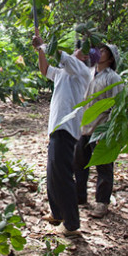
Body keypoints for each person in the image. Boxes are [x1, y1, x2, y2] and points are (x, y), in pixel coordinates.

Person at [33, 34, 92, 236]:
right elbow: (45, 70)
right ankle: (57, 213)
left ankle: (72, 224)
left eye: (83, 51)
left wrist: (44, 45)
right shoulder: (63, 73)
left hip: (67, 129)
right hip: (56, 128)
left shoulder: (83, 71)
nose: (79, 52)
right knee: (52, 174)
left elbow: (62, 57)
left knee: (63, 176)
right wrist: (41, 50)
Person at [73, 44, 123, 218]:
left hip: (101, 128)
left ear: (110, 58)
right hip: (84, 128)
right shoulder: (90, 73)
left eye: (103, 51)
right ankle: (80, 197)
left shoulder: (113, 78)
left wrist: (107, 131)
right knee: (79, 164)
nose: (99, 53)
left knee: (104, 167)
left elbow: (116, 108)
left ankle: (102, 203)